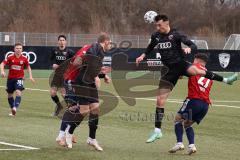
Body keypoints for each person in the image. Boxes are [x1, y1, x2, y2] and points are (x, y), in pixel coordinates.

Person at [135, 14, 238, 143]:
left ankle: (227, 80)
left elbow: (193, 46)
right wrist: (142, 55)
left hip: (180, 65)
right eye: (156, 25)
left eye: (159, 25)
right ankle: (157, 131)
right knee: (160, 100)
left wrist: (189, 48)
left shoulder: (176, 34)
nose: (157, 27)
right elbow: (150, 48)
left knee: (198, 71)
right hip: (169, 71)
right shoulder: (156, 36)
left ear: (167, 23)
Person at [55, 33, 111, 150]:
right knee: (74, 107)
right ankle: (63, 135)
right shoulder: (92, 48)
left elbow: (89, 65)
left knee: (94, 108)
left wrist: (102, 74)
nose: (110, 45)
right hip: (74, 80)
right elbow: (77, 62)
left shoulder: (98, 50)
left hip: (86, 81)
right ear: (106, 41)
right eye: (110, 43)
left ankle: (90, 138)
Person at [169, 53, 213, 155]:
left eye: (194, 60)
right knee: (188, 124)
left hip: (194, 101)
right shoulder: (209, 74)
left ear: (197, 60)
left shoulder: (194, 67)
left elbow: (180, 73)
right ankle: (192, 146)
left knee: (178, 119)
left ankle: (179, 143)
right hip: (205, 105)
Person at [0, 43, 35, 116]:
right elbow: (2, 64)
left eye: (20, 48)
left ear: (22, 49)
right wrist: (2, 71)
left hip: (19, 78)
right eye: (17, 48)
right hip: (10, 79)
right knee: (10, 95)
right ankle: (13, 109)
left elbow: (28, 67)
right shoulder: (10, 57)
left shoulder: (24, 59)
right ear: (14, 49)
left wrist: (31, 76)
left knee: (18, 92)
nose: (18, 50)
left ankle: (15, 107)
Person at [50, 35, 75, 116]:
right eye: (60, 40)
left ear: (65, 41)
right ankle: (59, 106)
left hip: (65, 75)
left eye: (63, 40)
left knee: (64, 94)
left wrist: (68, 67)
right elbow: (51, 60)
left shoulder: (70, 52)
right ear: (58, 42)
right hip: (57, 75)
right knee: (53, 93)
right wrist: (53, 65)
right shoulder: (54, 51)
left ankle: (72, 108)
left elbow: (75, 62)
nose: (61, 41)